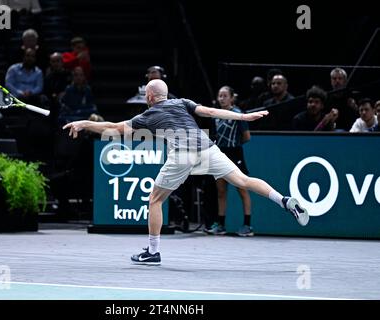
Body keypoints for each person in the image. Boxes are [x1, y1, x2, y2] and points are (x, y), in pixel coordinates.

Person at [63, 79, 309, 265]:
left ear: (149, 96)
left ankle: (152, 251)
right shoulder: (182, 103)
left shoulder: (149, 114)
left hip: (182, 152)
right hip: (206, 146)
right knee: (242, 180)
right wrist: (242, 115)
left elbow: (114, 128)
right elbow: (211, 112)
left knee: (155, 199)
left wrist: (84, 123)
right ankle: (284, 200)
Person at [205, 86, 254, 237]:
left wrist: (233, 145)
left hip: (235, 153)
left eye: (225, 96)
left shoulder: (238, 115)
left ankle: (247, 225)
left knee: (242, 188)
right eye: (220, 96)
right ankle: (220, 225)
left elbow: (247, 137)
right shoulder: (215, 115)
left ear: (232, 98)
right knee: (221, 191)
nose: (222, 98)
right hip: (220, 154)